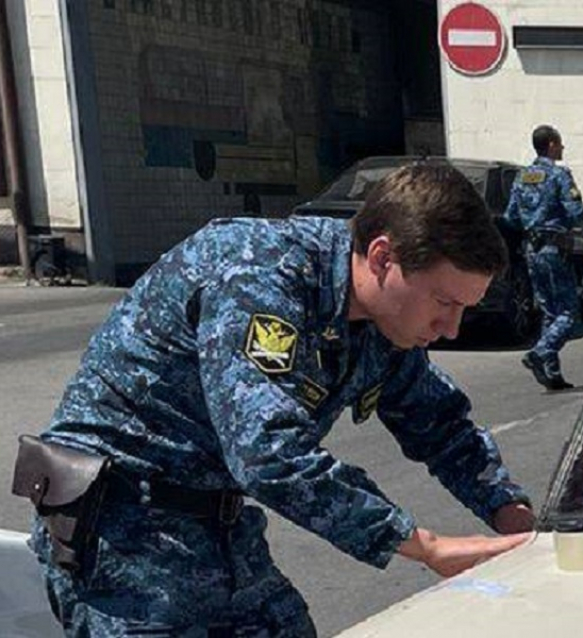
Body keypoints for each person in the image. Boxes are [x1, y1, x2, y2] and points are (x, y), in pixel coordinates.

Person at [16, 165, 535, 636]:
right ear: (382, 257)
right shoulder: (258, 275)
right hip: (122, 538)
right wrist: (426, 547)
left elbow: (441, 425)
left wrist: (519, 524)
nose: (450, 328)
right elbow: (268, 454)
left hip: (213, 526)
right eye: (444, 302)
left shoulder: (383, 320)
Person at [502, 124, 583, 391]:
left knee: (549, 311)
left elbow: (511, 217)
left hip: (531, 248)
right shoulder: (559, 175)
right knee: (569, 312)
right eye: (560, 143)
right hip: (554, 247)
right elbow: (573, 210)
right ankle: (541, 351)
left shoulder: (522, 177)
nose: (562, 148)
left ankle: (552, 372)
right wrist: (582, 211)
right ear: (551, 144)